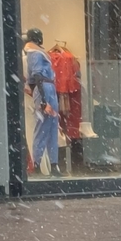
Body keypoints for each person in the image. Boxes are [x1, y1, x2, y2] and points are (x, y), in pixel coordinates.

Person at [23, 30, 59, 176]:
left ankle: (54, 165)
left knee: (51, 127)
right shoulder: (34, 53)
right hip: (44, 87)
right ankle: (37, 164)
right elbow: (36, 76)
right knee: (42, 127)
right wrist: (43, 101)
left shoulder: (36, 52)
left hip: (48, 87)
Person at [48, 39, 84, 173]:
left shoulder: (49, 57)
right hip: (69, 97)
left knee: (56, 129)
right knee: (70, 129)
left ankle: (57, 164)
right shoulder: (69, 58)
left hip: (54, 96)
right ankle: (73, 166)